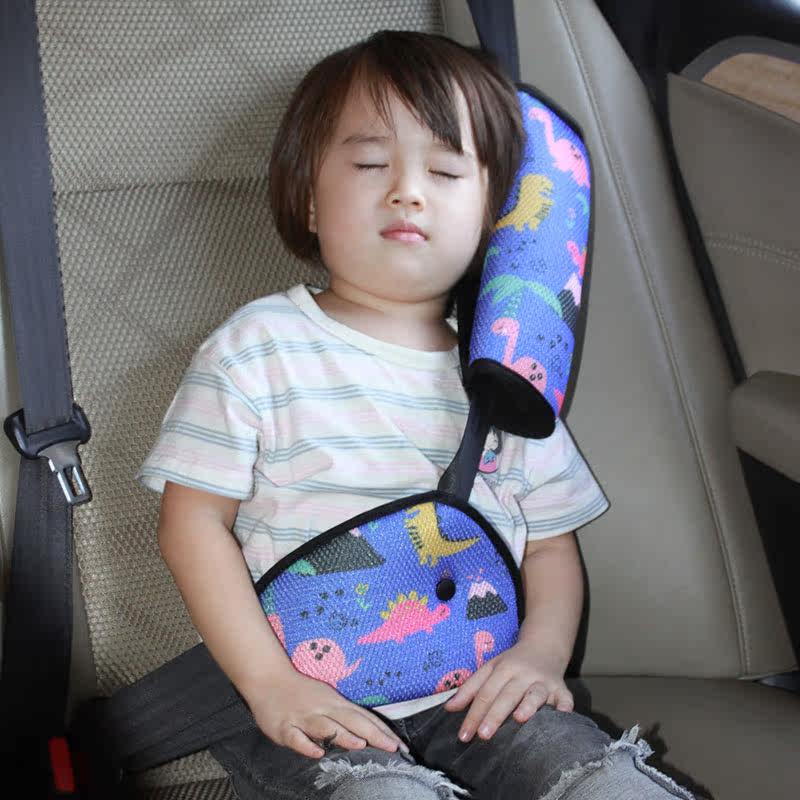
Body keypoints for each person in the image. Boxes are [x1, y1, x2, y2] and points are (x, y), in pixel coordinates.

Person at [137, 30, 697, 800]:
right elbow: (192, 523)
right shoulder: (256, 349)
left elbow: (549, 547)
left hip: (483, 694)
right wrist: (268, 682)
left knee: (605, 785)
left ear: (493, 215)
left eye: (445, 170)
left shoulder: (507, 375)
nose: (408, 190)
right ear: (309, 198)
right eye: (371, 163)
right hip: (314, 698)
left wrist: (540, 654)